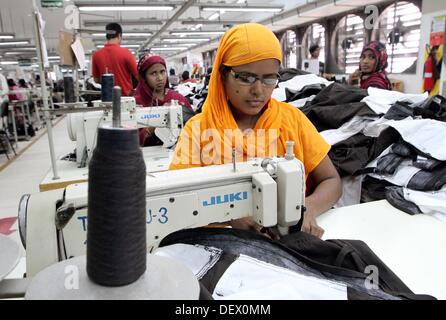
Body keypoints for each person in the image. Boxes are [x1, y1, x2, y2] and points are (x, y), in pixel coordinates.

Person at [169, 23, 342, 238]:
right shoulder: (198, 130)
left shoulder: (292, 119)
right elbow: (178, 200)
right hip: (223, 245)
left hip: (287, 241)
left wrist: (307, 208)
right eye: (246, 77)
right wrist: (229, 216)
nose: (258, 91)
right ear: (222, 74)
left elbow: (331, 180)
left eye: (269, 78)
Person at [134, 53, 193, 147]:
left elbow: (194, 126)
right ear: (143, 77)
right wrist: (151, 128)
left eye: (162, 72)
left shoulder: (178, 98)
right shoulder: (135, 103)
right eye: (153, 73)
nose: (160, 78)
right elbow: (130, 139)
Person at [91, 23, 138, 97]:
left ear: (107, 36)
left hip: (107, 99)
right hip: (125, 98)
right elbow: (138, 76)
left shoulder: (96, 55)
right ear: (119, 35)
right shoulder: (126, 53)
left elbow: (96, 80)